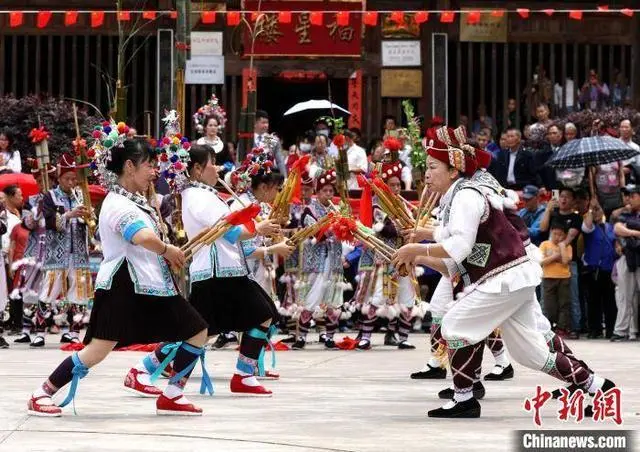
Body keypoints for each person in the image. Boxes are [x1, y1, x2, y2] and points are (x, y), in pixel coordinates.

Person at [393, 125, 614, 418]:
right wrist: (419, 250)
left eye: (433, 167)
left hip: (504, 275)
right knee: (530, 352)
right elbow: (454, 260)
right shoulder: (462, 192)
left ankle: (465, 398)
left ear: (454, 169)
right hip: (508, 274)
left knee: (455, 324)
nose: (427, 174)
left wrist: (416, 250)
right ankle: (597, 385)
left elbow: (459, 246)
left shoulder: (467, 194)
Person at [27, 138, 209, 417]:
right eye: (149, 165)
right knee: (98, 350)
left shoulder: (139, 202)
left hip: (153, 285)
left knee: (197, 330)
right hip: (123, 284)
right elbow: (140, 236)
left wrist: (168, 252)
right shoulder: (116, 204)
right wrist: (167, 249)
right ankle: (43, 392)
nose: (153, 172)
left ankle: (172, 394)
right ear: (129, 166)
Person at [131, 145, 285, 396]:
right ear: (198, 169)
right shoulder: (200, 197)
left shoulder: (203, 194)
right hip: (217, 273)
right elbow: (230, 231)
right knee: (255, 314)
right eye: (213, 162)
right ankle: (152, 373)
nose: (218, 167)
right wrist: (258, 229)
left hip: (223, 271)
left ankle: (240, 376)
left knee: (205, 329)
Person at [292, 169, 347, 350]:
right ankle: (301, 338)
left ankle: (330, 337)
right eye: (325, 191)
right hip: (315, 261)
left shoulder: (337, 210)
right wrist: (333, 226)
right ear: (318, 192)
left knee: (332, 300)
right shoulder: (310, 209)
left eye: (331, 191)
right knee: (310, 299)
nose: (329, 194)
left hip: (333, 260)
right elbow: (315, 232)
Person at [539, 188, 583, 339]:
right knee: (548, 301)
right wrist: (547, 210)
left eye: (567, 197)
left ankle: (574, 327)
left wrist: (558, 251)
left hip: (569, 264)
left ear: (573, 200)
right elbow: (543, 228)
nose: (563, 199)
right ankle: (549, 327)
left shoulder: (576, 218)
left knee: (571, 298)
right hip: (550, 268)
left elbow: (569, 237)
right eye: (561, 196)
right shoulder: (553, 214)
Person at [582, 201, 617, 339]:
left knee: (610, 301)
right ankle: (594, 329)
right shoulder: (589, 228)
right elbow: (587, 225)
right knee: (593, 301)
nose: (596, 212)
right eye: (594, 210)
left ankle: (610, 329)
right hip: (593, 269)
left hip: (609, 268)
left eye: (598, 209)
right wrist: (590, 209)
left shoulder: (611, 227)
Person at [611, 184, 640, 341]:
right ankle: (621, 331)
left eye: (633, 195)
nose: (629, 199)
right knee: (624, 297)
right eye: (627, 196)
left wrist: (629, 233)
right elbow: (617, 228)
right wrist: (635, 233)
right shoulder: (627, 214)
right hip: (628, 257)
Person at [540, 224, 572, 336]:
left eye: (560, 235)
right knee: (549, 304)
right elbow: (540, 261)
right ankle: (550, 324)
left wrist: (562, 246)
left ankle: (561, 327)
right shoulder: (545, 244)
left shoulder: (567, 246)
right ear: (550, 233)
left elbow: (565, 261)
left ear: (564, 236)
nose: (557, 237)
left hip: (563, 277)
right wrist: (554, 257)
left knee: (564, 303)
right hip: (548, 277)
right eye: (555, 234)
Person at [238, 110, 287, 176]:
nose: (266, 125)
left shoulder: (272, 139)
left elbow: (280, 161)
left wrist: (285, 177)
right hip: (248, 177)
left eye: (267, 123)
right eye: (263, 123)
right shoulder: (246, 139)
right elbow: (239, 161)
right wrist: (237, 176)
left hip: (266, 178)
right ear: (255, 123)